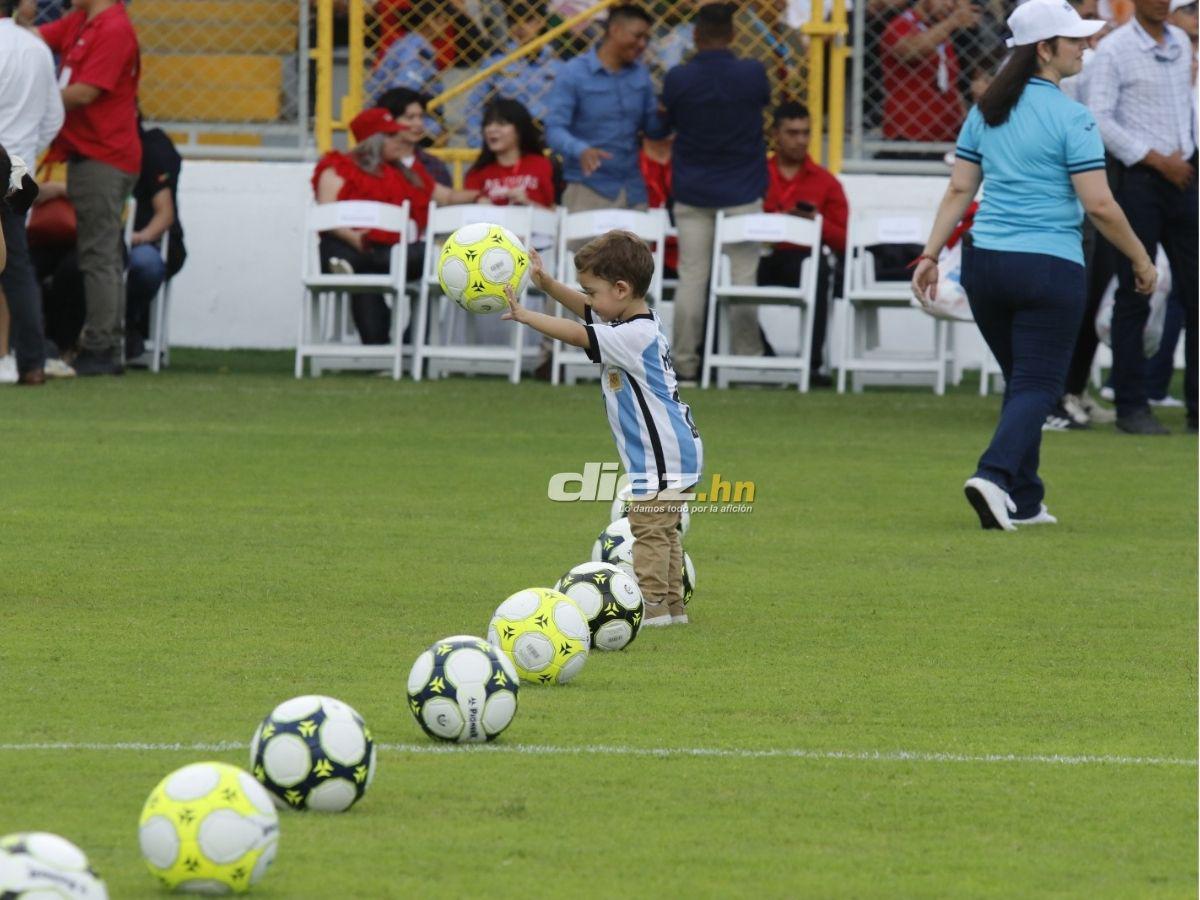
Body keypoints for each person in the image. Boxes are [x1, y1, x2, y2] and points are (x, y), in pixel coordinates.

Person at [912, 0, 1155, 530]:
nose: (1085, 47)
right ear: (1044, 50)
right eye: (1075, 41)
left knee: (1024, 381)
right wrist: (1140, 258)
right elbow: (1100, 205)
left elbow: (959, 187)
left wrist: (930, 254)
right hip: (1049, 266)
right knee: (1038, 387)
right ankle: (994, 475)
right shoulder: (1072, 116)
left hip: (985, 267)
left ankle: (1025, 497)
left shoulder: (986, 110)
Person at [502, 230, 702, 626]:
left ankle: (651, 607)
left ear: (622, 289)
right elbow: (587, 312)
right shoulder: (634, 319)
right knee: (665, 531)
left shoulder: (631, 335)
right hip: (677, 450)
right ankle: (673, 606)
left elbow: (580, 334)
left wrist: (527, 315)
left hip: (661, 455)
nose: (589, 301)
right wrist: (548, 285)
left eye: (593, 292)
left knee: (647, 528)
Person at [1088, 0, 1197, 433]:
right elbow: (1098, 119)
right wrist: (1153, 158)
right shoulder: (1114, 49)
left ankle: (1195, 407)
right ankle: (1131, 406)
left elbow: (1183, 109)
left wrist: (1186, 152)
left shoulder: (1182, 46)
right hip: (1138, 181)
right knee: (1136, 290)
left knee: (1195, 293)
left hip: (1185, 177)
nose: (1159, 3)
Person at [661, 2, 771, 383]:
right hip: (742, 189)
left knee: (692, 277)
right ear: (733, 35)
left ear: (696, 35)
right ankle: (746, 360)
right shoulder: (752, 74)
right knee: (743, 278)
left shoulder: (679, 78)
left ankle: (685, 364)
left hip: (693, 190)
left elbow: (666, 123)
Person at [312, 107, 476, 345]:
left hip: (389, 252)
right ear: (373, 141)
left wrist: (482, 195)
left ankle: (413, 341)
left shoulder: (408, 173)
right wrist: (354, 238)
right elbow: (326, 216)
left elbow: (447, 196)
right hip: (352, 245)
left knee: (436, 258)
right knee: (342, 252)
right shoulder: (337, 168)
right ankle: (380, 343)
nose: (400, 140)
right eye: (391, 135)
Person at [40, 0, 141, 377]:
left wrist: (36, 99)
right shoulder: (81, 22)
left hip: (104, 156)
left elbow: (85, 93)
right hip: (90, 154)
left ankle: (102, 346)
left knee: (99, 255)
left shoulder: (113, 29)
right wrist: (21, 20)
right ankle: (104, 341)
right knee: (101, 253)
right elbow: (36, 38)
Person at [758, 102, 849, 387]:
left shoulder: (826, 181)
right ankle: (760, 357)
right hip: (762, 254)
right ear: (776, 134)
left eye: (805, 133)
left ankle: (811, 365)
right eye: (792, 133)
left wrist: (816, 222)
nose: (800, 140)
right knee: (722, 275)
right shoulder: (756, 173)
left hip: (802, 259)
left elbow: (845, 238)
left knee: (820, 272)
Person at [545, 4, 667, 212]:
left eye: (646, 38)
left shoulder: (641, 75)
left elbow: (652, 129)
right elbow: (554, 130)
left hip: (632, 189)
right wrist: (581, 150)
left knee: (637, 246)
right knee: (584, 247)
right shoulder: (573, 73)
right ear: (615, 30)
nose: (642, 44)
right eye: (637, 36)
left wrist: (666, 115)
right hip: (587, 187)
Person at [0, 0, 63, 386]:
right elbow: (54, 116)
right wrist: (25, 151)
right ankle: (32, 362)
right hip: (18, 167)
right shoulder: (37, 48)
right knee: (17, 265)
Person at [880, 0, 980, 153]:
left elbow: (950, 86)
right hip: (908, 140)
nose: (949, 6)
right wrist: (953, 21)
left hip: (946, 140)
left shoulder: (939, 32)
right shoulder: (901, 24)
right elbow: (910, 51)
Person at [125, 121, 187, 366]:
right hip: (102, 245)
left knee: (146, 264)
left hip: (145, 242)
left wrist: (140, 237)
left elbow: (165, 214)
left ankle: (127, 322)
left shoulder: (151, 150)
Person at [465, 1, 563, 146]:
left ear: (541, 22)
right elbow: (475, 104)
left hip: (545, 137)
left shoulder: (558, 65)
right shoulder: (496, 63)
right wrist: (477, 144)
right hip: (507, 134)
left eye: (528, 20)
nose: (520, 27)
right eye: (514, 21)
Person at [464, 98, 556, 208]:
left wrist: (527, 203)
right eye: (487, 124)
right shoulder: (477, 173)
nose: (491, 129)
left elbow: (553, 215)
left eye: (501, 124)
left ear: (519, 129)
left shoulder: (541, 165)